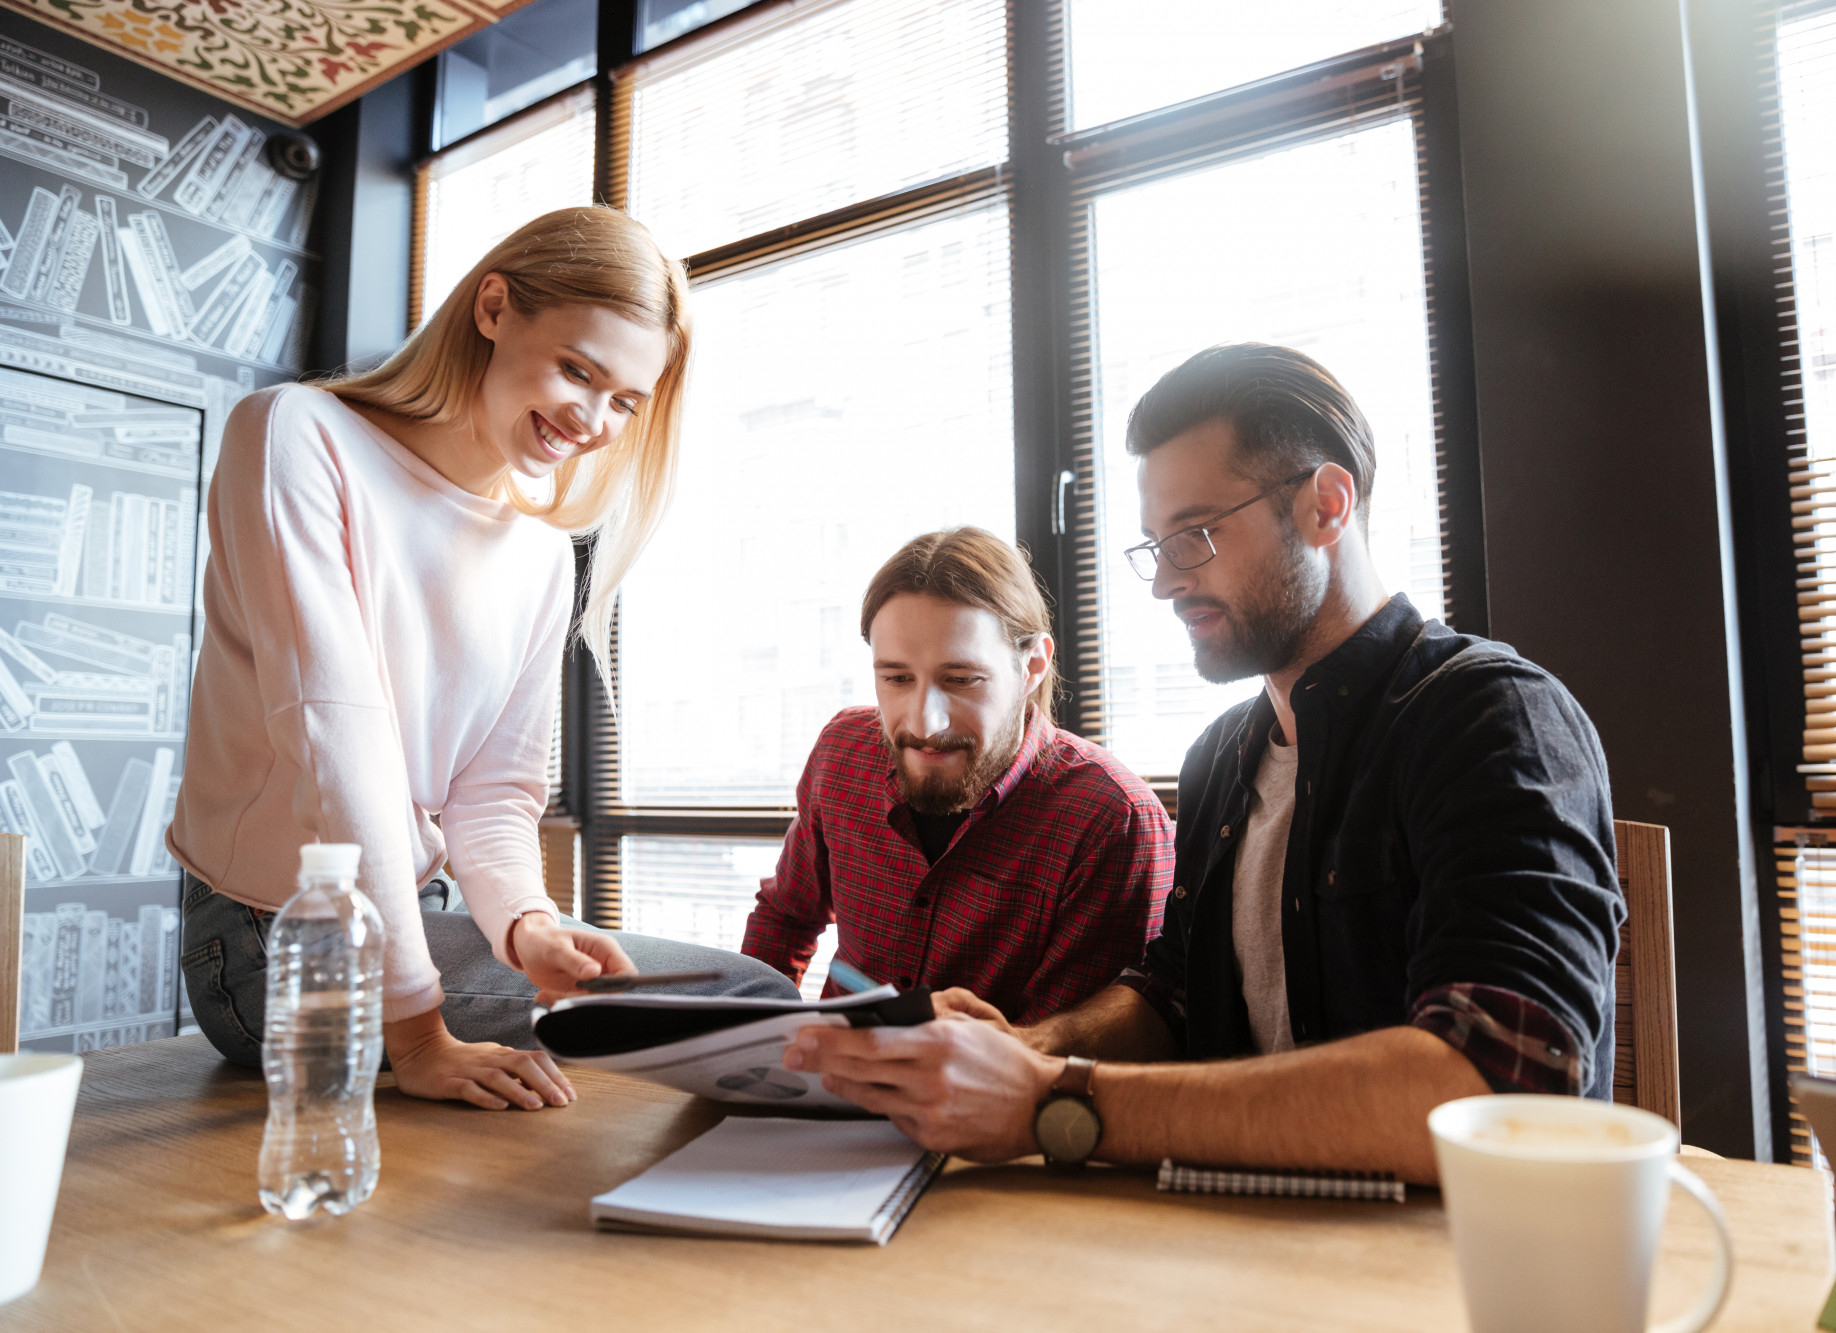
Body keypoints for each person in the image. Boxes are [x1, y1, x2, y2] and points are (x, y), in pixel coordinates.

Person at [783, 345, 1624, 1184]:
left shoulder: (1492, 718)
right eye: (1156, 546)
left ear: (1327, 505)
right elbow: (1173, 995)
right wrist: (1024, 1048)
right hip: (1231, 1236)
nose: (1165, 585)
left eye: (1194, 535)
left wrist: (1054, 1097)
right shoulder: (1224, 756)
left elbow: (1501, 1088)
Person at [171, 206, 796, 1112]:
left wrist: (526, 925)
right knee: (746, 1002)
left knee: (744, 1005)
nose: (592, 419)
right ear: (495, 308)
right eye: (579, 370)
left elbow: (496, 792)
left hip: (420, 921)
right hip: (274, 938)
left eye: (625, 400)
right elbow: (333, 739)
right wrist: (419, 1031)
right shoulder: (293, 434)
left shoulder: (542, 556)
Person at [742, 527, 1172, 1022]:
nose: (925, 723)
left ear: (1032, 665)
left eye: (961, 680)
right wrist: (750, 1049)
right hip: (827, 1083)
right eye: (897, 678)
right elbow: (785, 918)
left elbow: (1059, 1051)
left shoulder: (1111, 820)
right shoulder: (843, 751)